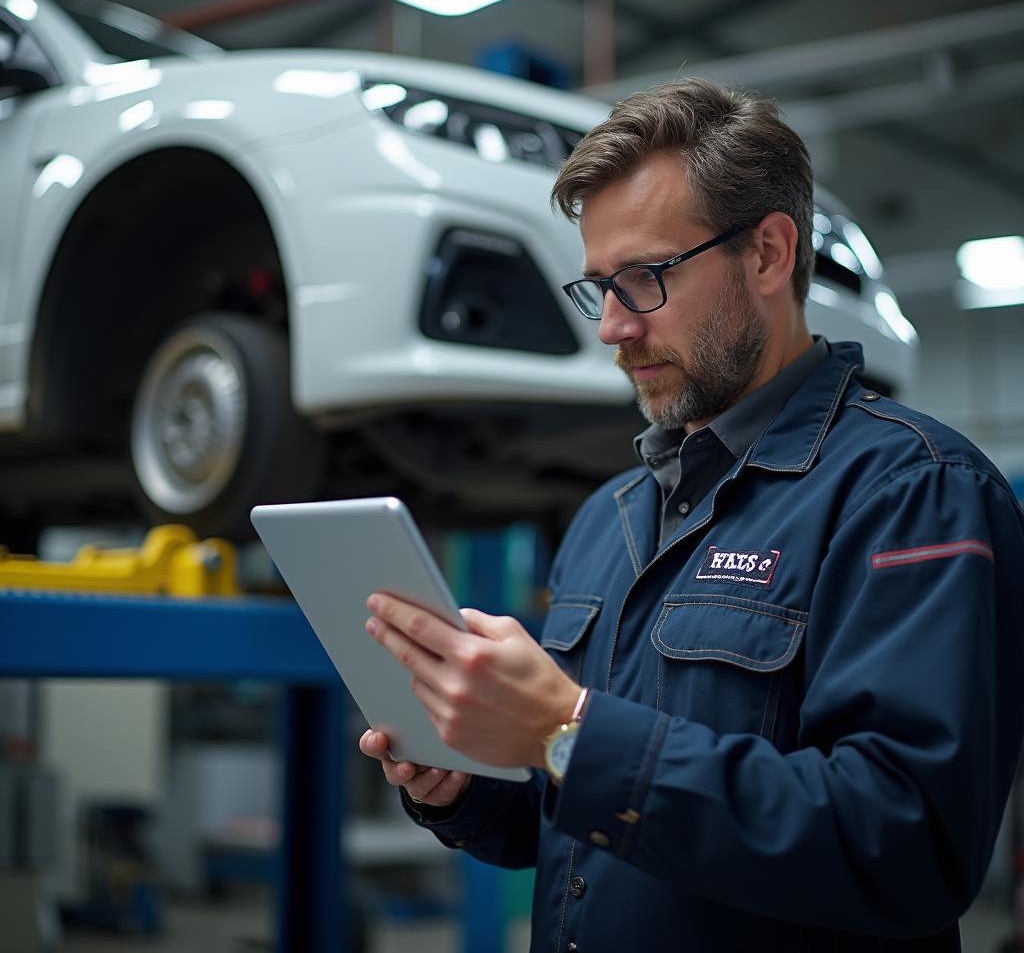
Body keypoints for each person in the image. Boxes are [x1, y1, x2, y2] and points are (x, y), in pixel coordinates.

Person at [358, 78, 1024, 951]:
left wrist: (568, 729)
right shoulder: (610, 517)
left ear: (769, 255)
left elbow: (904, 845)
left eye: (642, 279)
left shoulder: (913, 492)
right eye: (597, 287)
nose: (610, 329)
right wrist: (470, 779)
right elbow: (568, 825)